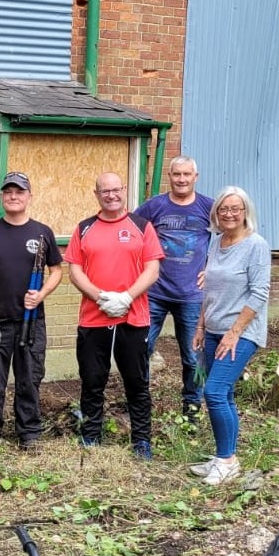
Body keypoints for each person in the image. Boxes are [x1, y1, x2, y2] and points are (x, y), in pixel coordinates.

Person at [64, 172, 164, 460]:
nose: (111, 195)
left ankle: (142, 440)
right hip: (94, 318)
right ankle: (91, 435)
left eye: (116, 190)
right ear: (96, 194)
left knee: (136, 382)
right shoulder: (84, 228)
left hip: (133, 318)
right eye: (104, 191)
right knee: (92, 379)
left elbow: (152, 269)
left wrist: (126, 297)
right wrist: (101, 298)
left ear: (124, 191)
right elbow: (75, 271)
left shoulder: (142, 226)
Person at [191, 186, 271, 486]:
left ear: (245, 212)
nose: (229, 214)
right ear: (216, 213)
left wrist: (234, 333)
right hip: (213, 330)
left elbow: (260, 292)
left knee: (212, 392)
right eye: (224, 209)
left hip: (241, 333)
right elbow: (209, 289)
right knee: (223, 395)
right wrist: (200, 326)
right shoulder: (216, 242)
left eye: (235, 209)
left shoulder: (256, 245)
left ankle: (226, 461)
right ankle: (225, 457)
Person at [0, 172, 63, 452]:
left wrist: (41, 294)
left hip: (32, 321)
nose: (13, 196)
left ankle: (29, 432)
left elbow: (57, 271)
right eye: (8, 192)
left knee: (29, 378)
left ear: (29, 196)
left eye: (19, 192)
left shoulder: (42, 232)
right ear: (2, 196)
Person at [133, 156, 213, 418]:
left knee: (193, 357)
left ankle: (191, 409)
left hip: (192, 296)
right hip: (154, 293)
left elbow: (230, 239)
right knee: (141, 350)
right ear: (169, 176)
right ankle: (140, 404)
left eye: (187, 175)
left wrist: (212, 269)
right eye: (177, 174)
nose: (182, 179)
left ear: (195, 177)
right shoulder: (154, 206)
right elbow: (131, 236)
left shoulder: (209, 208)